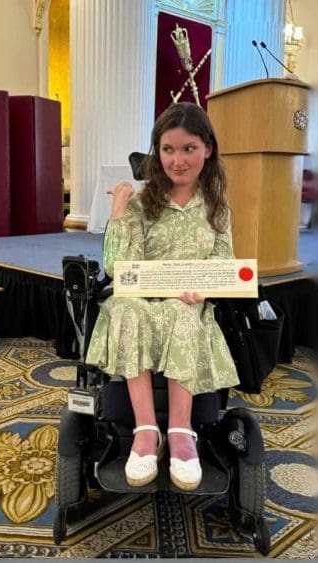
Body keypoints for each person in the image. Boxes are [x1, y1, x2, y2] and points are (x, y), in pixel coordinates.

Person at [85, 102, 239, 490]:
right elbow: (121, 268)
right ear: (157, 153)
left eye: (188, 148)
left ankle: (182, 433)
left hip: (188, 304)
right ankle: (146, 431)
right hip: (141, 303)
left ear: (208, 149)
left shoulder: (217, 207)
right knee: (126, 306)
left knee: (181, 313)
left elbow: (224, 262)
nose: (178, 160)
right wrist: (119, 209)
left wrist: (203, 287)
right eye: (168, 149)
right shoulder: (142, 202)